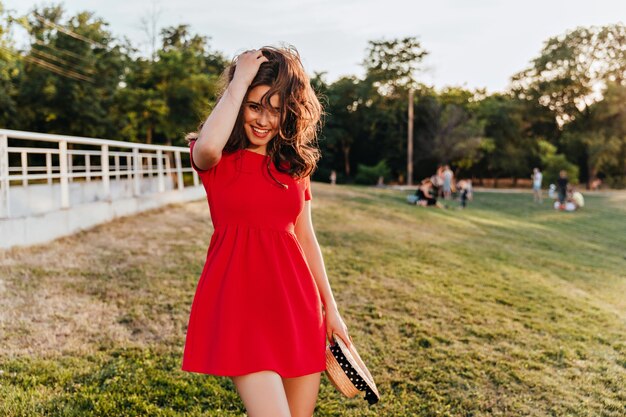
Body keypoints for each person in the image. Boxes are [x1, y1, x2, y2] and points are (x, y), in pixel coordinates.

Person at [181, 46, 352, 417]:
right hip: (242, 311)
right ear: (239, 101)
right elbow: (209, 145)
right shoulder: (215, 158)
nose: (263, 119)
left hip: (298, 309)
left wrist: (332, 310)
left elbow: (306, 238)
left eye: (275, 109)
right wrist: (240, 78)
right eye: (254, 105)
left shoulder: (294, 167)